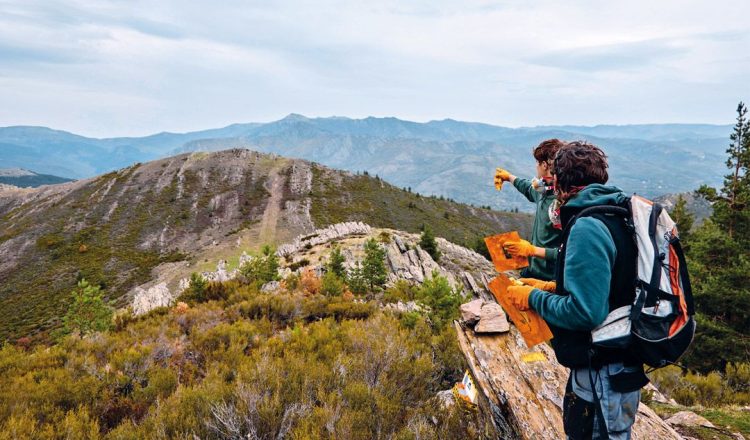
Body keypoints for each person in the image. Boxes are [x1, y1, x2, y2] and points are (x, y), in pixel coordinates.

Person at [506, 141, 647, 439]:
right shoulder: (616, 212)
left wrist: (532, 297)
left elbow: (585, 312)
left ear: (559, 181)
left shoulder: (588, 226)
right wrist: (549, 286)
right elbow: (609, 286)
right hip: (617, 365)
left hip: (602, 373)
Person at [494, 139, 564, 281]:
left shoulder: (563, 202)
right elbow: (528, 187)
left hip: (549, 279)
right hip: (532, 270)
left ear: (544, 165)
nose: (536, 166)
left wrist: (532, 251)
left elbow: (569, 254)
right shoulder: (544, 189)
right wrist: (508, 177)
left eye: (537, 163)